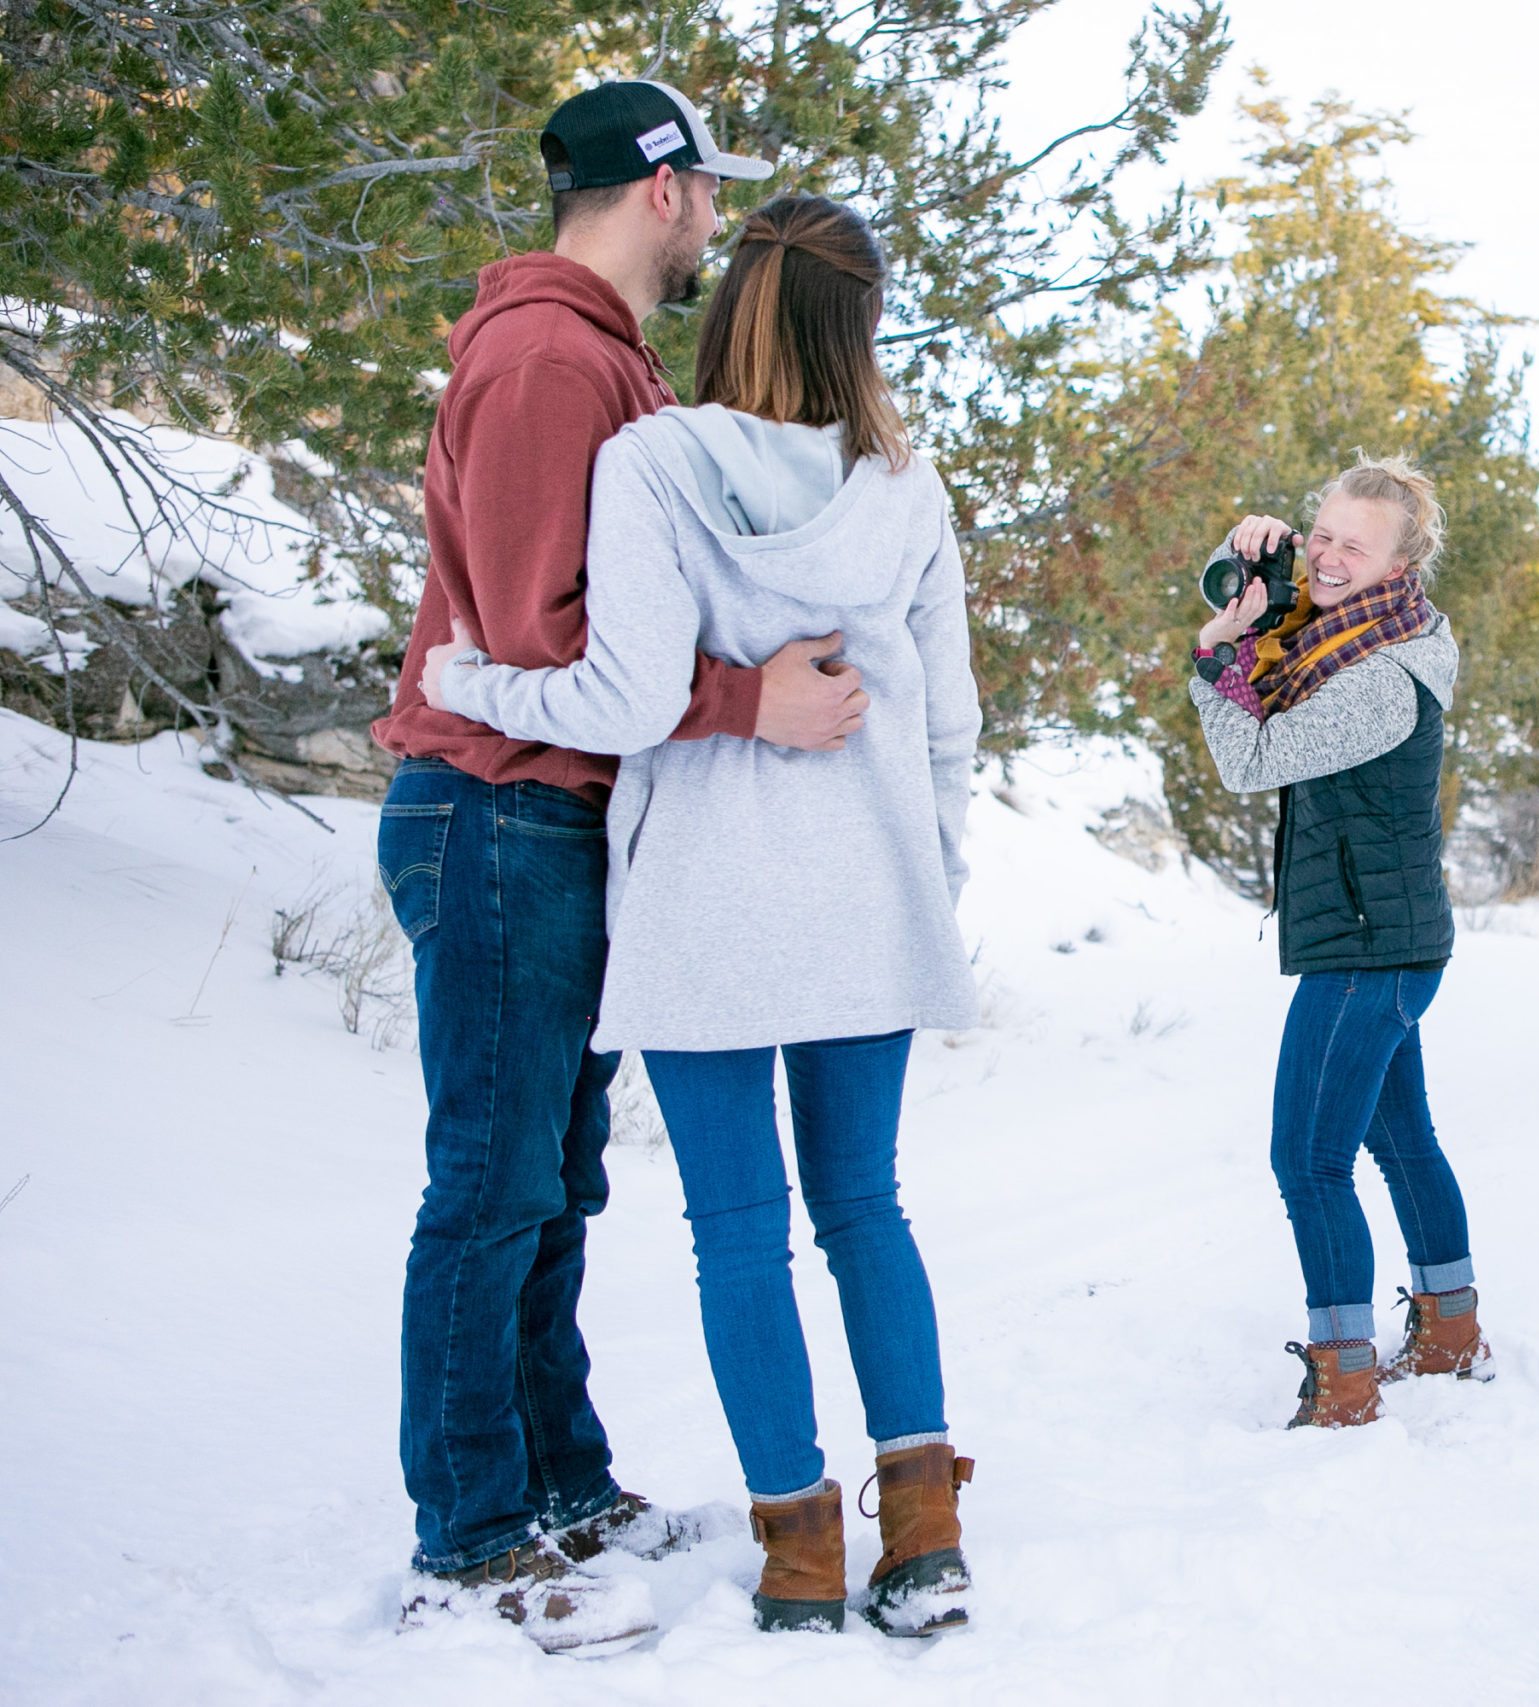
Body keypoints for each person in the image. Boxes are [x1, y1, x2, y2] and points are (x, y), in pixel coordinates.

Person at [420, 193, 982, 1639]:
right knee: (867, 1207)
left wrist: (470, 681)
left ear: (736, 304)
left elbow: (620, 696)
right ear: (860, 330)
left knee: (739, 1227)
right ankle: (924, 1534)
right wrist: (932, 875)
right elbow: (946, 734)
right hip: (864, 900)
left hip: (703, 907)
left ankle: (800, 1552)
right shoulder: (908, 493)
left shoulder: (655, 460)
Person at [371, 82, 867, 1652]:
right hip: (498, 808)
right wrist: (748, 701)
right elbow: (538, 642)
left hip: (558, 817)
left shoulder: (605, 361)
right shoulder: (542, 363)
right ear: (663, 193)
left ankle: (559, 1480)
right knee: (495, 1180)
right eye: (710, 190)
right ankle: (469, 1531)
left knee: (556, 1178)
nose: (719, 218)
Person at [1188, 455, 1495, 1429]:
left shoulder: (1377, 677)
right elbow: (1256, 602)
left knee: (1306, 1160)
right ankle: (1448, 1327)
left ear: (1399, 563)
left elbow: (1251, 757)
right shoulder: (1350, 631)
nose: (1323, 558)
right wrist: (1240, 557)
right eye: (1317, 533)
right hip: (1390, 940)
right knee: (1400, 1140)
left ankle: (1343, 1377)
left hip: (1366, 952)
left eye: (1349, 548)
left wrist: (1210, 656)